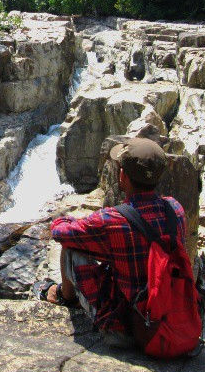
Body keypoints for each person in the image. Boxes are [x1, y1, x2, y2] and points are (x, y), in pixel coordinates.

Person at [36, 137, 187, 347]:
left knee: (72, 248)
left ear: (122, 175)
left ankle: (64, 296)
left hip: (127, 330)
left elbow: (61, 233)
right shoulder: (175, 209)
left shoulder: (113, 220)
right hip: (169, 320)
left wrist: (62, 217)